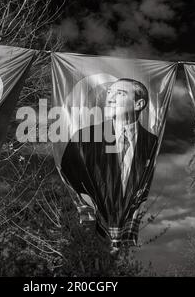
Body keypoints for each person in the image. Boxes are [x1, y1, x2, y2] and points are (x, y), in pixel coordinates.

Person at [59, 78, 158, 245]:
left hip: (139, 237)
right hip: (88, 233)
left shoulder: (153, 143)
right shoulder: (84, 138)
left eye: (120, 93)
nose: (110, 98)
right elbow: (66, 179)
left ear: (138, 104)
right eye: (109, 93)